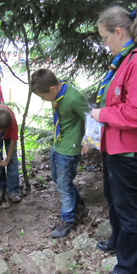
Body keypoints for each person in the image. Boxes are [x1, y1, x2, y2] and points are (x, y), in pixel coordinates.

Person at [89, 6, 137, 274]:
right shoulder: (125, 59)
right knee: (113, 197)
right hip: (115, 145)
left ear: (119, 32)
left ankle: (128, 267)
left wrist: (103, 115)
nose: (105, 43)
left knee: (127, 207)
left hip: (130, 150)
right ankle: (116, 242)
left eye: (106, 37)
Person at [31, 69, 90, 239]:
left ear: (51, 89)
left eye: (43, 96)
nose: (43, 100)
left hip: (69, 150)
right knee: (59, 180)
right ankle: (79, 206)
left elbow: (90, 117)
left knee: (63, 186)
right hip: (58, 144)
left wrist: (88, 141)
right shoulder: (57, 91)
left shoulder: (73, 98)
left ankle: (68, 220)